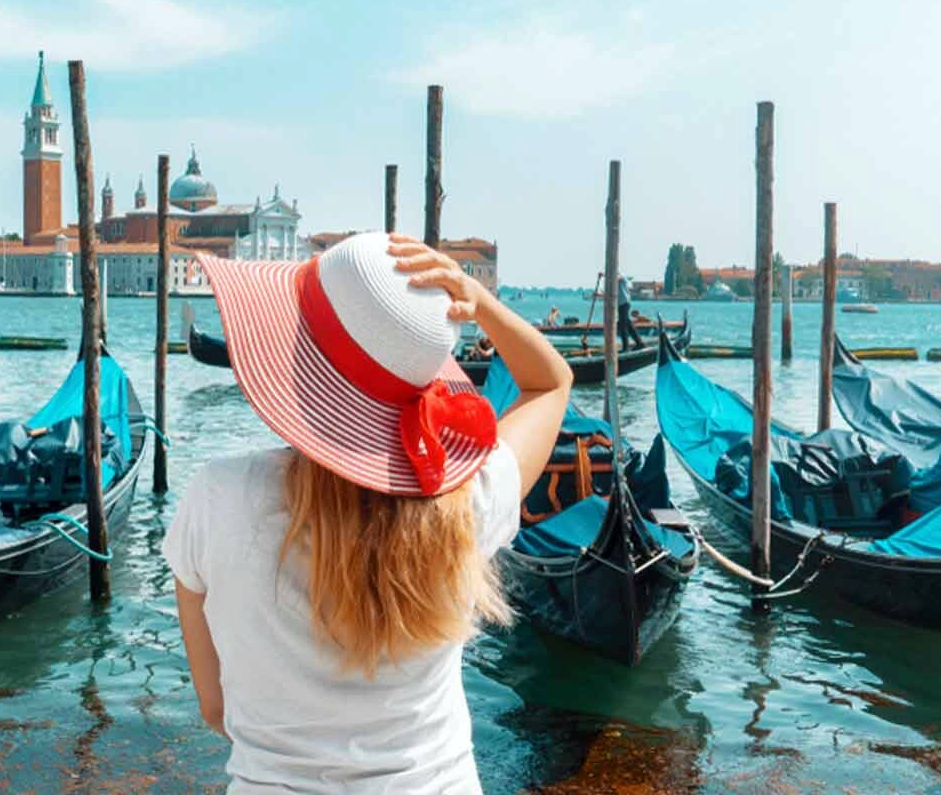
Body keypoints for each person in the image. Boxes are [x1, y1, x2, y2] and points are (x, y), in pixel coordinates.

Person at [164, 231, 573, 793]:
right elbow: (550, 383)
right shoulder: (466, 505)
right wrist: (480, 305)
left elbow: (217, 709)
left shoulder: (217, 498)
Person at [615, 273, 645, 351]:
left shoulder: (622, 278)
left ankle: (626, 347)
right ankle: (639, 343)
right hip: (621, 305)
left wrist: (605, 275)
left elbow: (618, 278)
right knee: (628, 325)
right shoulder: (614, 282)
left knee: (623, 326)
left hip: (625, 303)